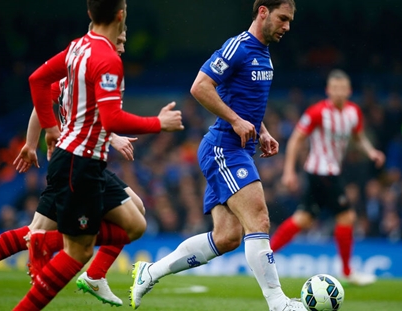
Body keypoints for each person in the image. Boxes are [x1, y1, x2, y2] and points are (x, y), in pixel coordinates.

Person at [0, 25, 156, 307]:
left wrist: (33, 143)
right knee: (45, 233)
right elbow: (63, 105)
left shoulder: (78, 70)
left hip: (80, 159)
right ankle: (90, 273)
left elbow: (48, 102)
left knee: (133, 210)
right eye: (119, 39)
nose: (122, 45)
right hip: (76, 161)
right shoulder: (93, 69)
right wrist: (34, 143)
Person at [129, 1, 302, 311]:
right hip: (224, 147)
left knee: (226, 238)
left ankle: (150, 272)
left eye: (290, 20)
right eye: (283, 18)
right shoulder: (238, 47)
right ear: (263, 11)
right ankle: (279, 304)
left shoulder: (264, 55)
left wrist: (261, 131)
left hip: (238, 148)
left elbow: (244, 101)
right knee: (259, 219)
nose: (287, 26)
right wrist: (236, 121)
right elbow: (200, 86)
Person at [18, 0, 183, 308]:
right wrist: (159, 123)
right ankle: (39, 262)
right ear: (121, 15)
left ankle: (55, 248)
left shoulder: (78, 47)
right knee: (78, 251)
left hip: (80, 160)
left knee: (135, 225)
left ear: (90, 13)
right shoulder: (107, 58)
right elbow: (112, 119)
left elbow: (36, 79)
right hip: (79, 163)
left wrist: (51, 128)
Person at [269, 69, 385, 285]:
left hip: (329, 173)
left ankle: (266, 255)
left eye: (343, 88)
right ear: (328, 90)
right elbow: (296, 139)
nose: (339, 92)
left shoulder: (353, 112)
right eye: (335, 88)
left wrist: (371, 152)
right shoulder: (317, 112)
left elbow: (358, 138)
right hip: (322, 173)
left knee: (303, 219)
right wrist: (288, 171)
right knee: (347, 217)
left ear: (349, 91)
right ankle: (348, 272)